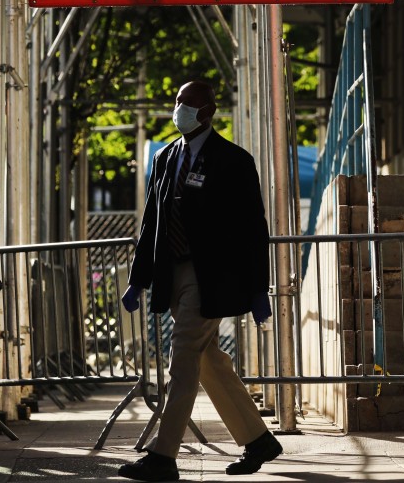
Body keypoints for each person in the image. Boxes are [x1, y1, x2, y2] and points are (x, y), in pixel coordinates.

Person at [118, 80, 282, 482]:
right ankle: (259, 439)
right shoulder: (165, 157)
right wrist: (138, 279)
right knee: (208, 361)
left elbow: (253, 230)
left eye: (188, 104)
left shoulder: (233, 161)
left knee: (183, 359)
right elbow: (152, 222)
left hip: (212, 276)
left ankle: (163, 456)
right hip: (173, 272)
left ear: (208, 112)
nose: (180, 109)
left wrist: (258, 288)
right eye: (178, 101)